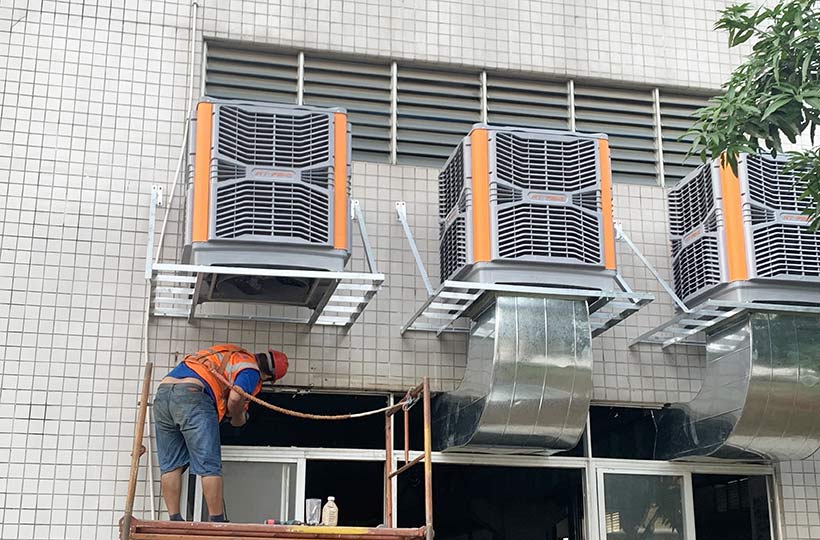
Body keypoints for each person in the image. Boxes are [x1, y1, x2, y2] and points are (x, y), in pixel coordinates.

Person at [153, 344, 288, 522]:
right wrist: (238, 417)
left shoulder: (231, 354)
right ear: (269, 377)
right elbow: (236, 397)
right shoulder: (251, 370)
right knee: (209, 465)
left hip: (163, 395)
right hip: (194, 396)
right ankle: (217, 520)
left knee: (171, 464)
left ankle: (175, 519)